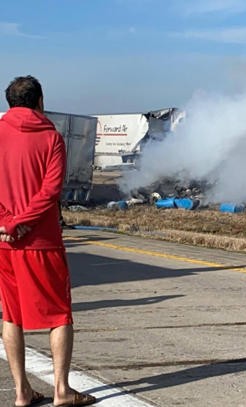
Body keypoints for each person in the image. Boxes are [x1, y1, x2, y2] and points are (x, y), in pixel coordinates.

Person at [0, 76, 96, 407]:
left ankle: (22, 391)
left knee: (11, 315)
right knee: (59, 314)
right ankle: (62, 390)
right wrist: (22, 222)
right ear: (40, 101)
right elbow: (50, 190)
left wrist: (7, 222)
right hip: (41, 240)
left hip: (5, 241)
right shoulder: (52, 138)